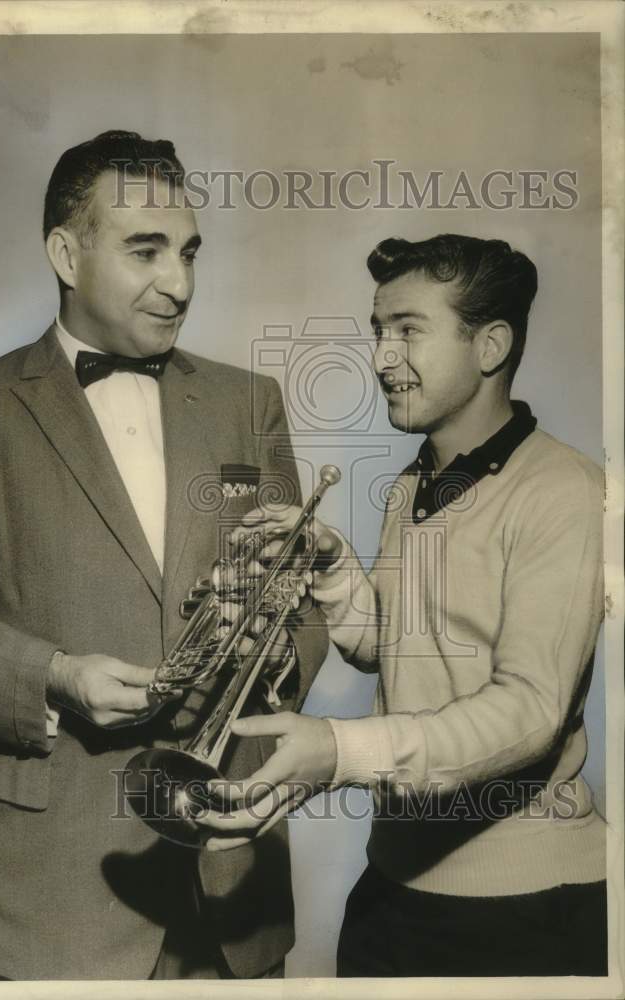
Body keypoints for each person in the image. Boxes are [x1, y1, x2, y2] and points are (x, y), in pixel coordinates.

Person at [0, 130, 327, 981]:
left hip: (230, 881)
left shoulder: (249, 402)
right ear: (65, 253)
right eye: (144, 251)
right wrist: (53, 675)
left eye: (188, 251)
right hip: (51, 898)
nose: (179, 283)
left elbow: (298, 603)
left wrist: (258, 670)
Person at [196, 234, 608, 977]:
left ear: (489, 346)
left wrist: (338, 751)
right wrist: (335, 571)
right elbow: (403, 647)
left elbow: (529, 713)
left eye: (408, 331)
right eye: (377, 332)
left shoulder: (566, 491)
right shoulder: (413, 483)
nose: (382, 358)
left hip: (525, 911)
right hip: (391, 892)